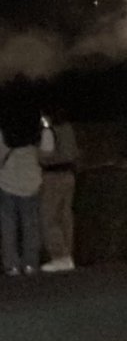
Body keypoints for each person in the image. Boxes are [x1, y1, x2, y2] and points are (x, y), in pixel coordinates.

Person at [0, 105, 48, 276]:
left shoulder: (4, 134)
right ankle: (30, 263)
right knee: (31, 225)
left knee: (8, 226)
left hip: (7, 184)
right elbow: (48, 151)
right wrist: (46, 126)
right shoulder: (34, 137)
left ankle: (11, 264)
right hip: (31, 184)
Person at [38, 107, 79, 272]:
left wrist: (37, 153)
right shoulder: (68, 129)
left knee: (48, 217)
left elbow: (45, 154)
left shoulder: (49, 132)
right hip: (69, 174)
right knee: (65, 216)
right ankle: (67, 255)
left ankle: (59, 256)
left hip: (53, 175)